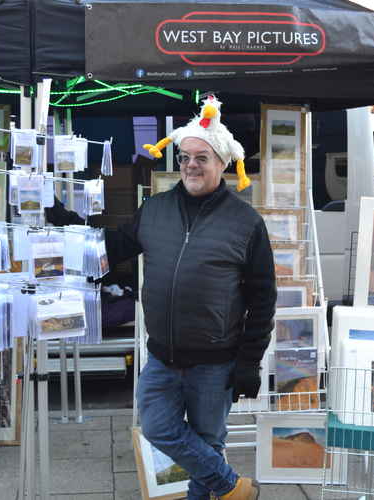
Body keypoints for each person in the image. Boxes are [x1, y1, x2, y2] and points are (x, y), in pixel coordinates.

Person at [46, 97, 276, 500]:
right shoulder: (155, 210)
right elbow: (113, 247)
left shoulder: (246, 223)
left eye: (201, 157)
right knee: (156, 427)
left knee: (208, 442)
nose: (190, 164)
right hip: (163, 359)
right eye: (185, 156)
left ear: (221, 163)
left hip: (215, 362)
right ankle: (232, 488)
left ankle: (218, 490)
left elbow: (262, 299)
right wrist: (69, 224)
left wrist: (249, 364)